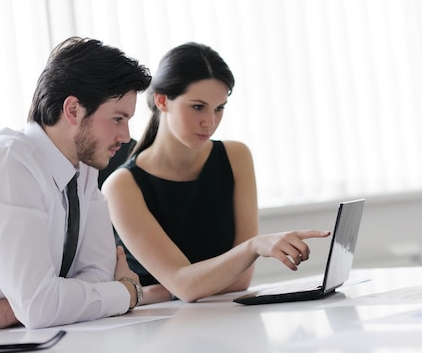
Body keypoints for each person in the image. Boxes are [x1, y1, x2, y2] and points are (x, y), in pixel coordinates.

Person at [0, 37, 151, 339]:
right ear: (73, 110)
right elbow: (40, 306)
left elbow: (97, 275)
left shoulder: (84, 169)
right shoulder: (7, 163)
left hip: (26, 340)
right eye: (118, 119)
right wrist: (128, 293)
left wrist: (4, 311)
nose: (126, 136)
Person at [102, 42, 329, 304]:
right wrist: (253, 247)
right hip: (155, 326)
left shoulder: (236, 157)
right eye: (198, 107)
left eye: (219, 108)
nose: (210, 122)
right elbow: (186, 286)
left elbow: (240, 281)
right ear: (162, 101)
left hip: (216, 317)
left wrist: (154, 293)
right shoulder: (121, 186)